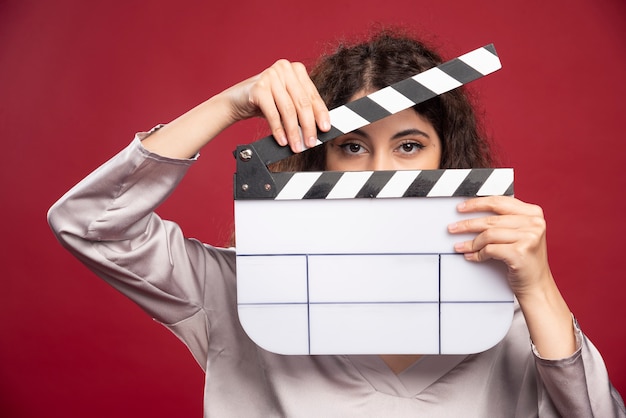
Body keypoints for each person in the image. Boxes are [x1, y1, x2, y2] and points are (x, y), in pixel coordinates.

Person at [48, 29, 625, 417]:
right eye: (351, 146)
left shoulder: (507, 316)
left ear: (447, 161)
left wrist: (540, 291)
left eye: (408, 145)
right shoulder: (238, 293)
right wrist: (231, 104)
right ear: (316, 159)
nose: (376, 172)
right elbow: (90, 223)